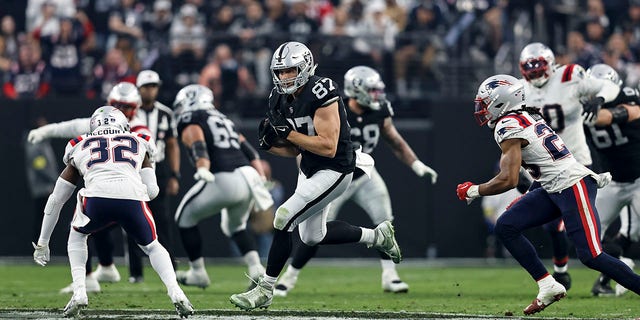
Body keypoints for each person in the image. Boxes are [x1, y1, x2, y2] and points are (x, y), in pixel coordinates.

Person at [229, 41, 402, 311]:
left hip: (336, 167)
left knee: (284, 216)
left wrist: (287, 133)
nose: (285, 77)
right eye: (281, 71)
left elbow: (328, 146)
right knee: (312, 237)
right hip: (309, 168)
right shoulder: (277, 98)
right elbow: (294, 148)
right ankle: (377, 237)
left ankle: (265, 289)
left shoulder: (321, 90)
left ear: (306, 67)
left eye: (291, 70)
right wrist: (271, 145)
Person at [457, 74, 640, 315]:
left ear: (501, 102)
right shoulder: (526, 114)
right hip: (552, 186)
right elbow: (546, 165)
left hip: (573, 185)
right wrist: (531, 193)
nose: (482, 109)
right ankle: (548, 284)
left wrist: (474, 190)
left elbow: (508, 179)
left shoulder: (508, 125)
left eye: (486, 103)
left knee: (592, 255)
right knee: (506, 226)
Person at [274, 65, 437, 296]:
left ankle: (390, 276)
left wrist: (416, 164)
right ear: (356, 90)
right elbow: (307, 147)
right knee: (314, 233)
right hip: (334, 175)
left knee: (385, 221)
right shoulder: (334, 108)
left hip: (364, 175)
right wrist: (311, 179)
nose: (377, 96)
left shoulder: (379, 110)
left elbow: (394, 140)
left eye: (377, 90)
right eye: (371, 91)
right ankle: (289, 278)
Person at [31, 106, 194, 318]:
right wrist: (134, 188)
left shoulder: (79, 144)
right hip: (132, 198)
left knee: (77, 236)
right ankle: (176, 292)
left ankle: (80, 291)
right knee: (153, 246)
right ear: (123, 124)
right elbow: (153, 191)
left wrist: (43, 243)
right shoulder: (139, 140)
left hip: (97, 199)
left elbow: (56, 199)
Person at [27, 82, 152, 292]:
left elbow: (150, 162)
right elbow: (72, 126)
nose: (121, 110)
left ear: (135, 108)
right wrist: (44, 131)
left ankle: (113, 273)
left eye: (126, 106)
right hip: (114, 191)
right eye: (117, 105)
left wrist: (148, 186)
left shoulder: (139, 130)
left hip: (135, 190)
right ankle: (104, 268)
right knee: (96, 226)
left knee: (93, 227)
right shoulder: (104, 122)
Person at [517, 42, 619, 289]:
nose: (534, 74)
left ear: (551, 64)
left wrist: (599, 99)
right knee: (550, 226)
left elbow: (610, 85)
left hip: (576, 164)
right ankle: (561, 272)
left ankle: (611, 256)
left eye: (539, 68)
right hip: (545, 167)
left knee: (584, 240)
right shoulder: (521, 90)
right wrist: (520, 169)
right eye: (529, 70)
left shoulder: (569, 75)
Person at [172, 84, 273, 289]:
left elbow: (196, 140)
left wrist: (202, 166)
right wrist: (261, 177)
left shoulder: (191, 117)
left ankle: (198, 272)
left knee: (184, 217)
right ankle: (256, 270)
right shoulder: (223, 118)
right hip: (248, 177)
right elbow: (250, 152)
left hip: (223, 177)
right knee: (234, 226)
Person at [584, 64, 640, 296]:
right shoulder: (579, 106)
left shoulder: (627, 94)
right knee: (584, 236)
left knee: (632, 232)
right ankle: (620, 264)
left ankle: (611, 278)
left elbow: (635, 111)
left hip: (639, 178)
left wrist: (603, 113)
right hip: (612, 181)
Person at [124, 70, 181, 283]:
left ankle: (170, 268)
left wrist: (175, 175)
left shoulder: (165, 113)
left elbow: (173, 145)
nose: (150, 90)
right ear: (138, 89)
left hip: (160, 169)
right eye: (146, 86)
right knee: (131, 219)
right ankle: (135, 272)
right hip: (134, 168)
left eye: (153, 86)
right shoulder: (130, 113)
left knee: (163, 221)